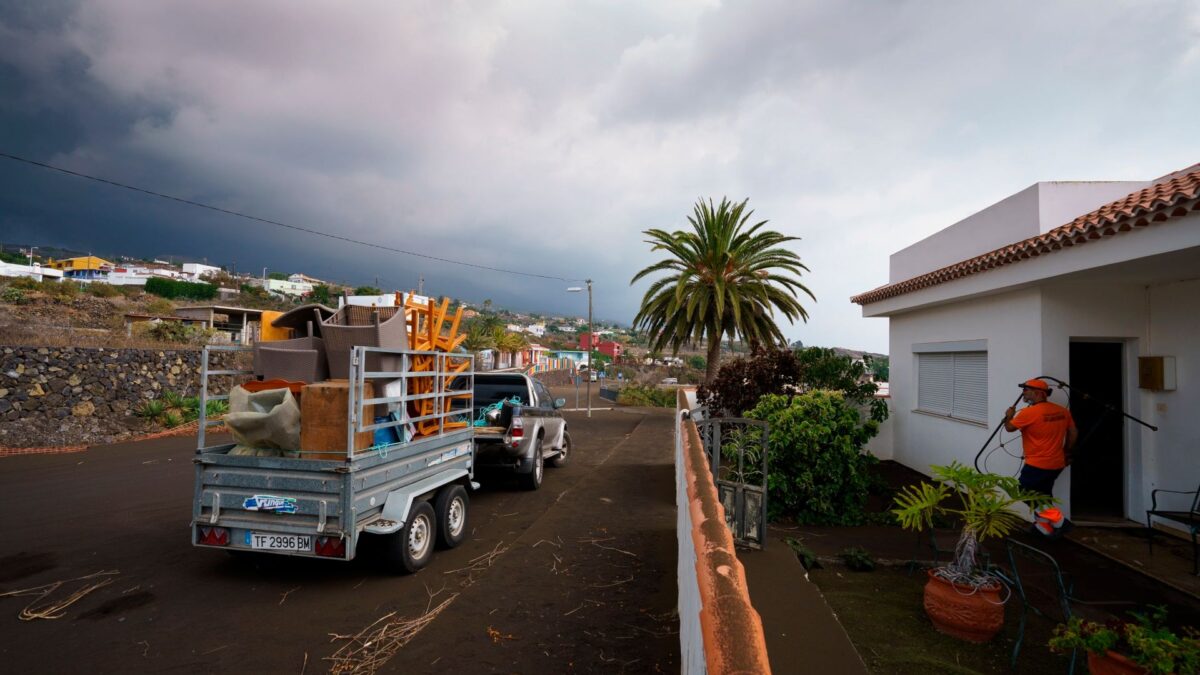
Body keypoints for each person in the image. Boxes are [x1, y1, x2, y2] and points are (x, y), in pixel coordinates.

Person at [1003, 378, 1078, 536]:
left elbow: (1009, 428)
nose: (1023, 393)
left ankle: (1060, 522)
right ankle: (1043, 528)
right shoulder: (1062, 411)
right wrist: (1068, 452)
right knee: (1042, 496)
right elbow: (1073, 432)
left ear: (1038, 393)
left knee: (1025, 492)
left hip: (1038, 464)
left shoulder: (1029, 413)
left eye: (1026, 390)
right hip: (1057, 463)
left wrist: (1009, 415)